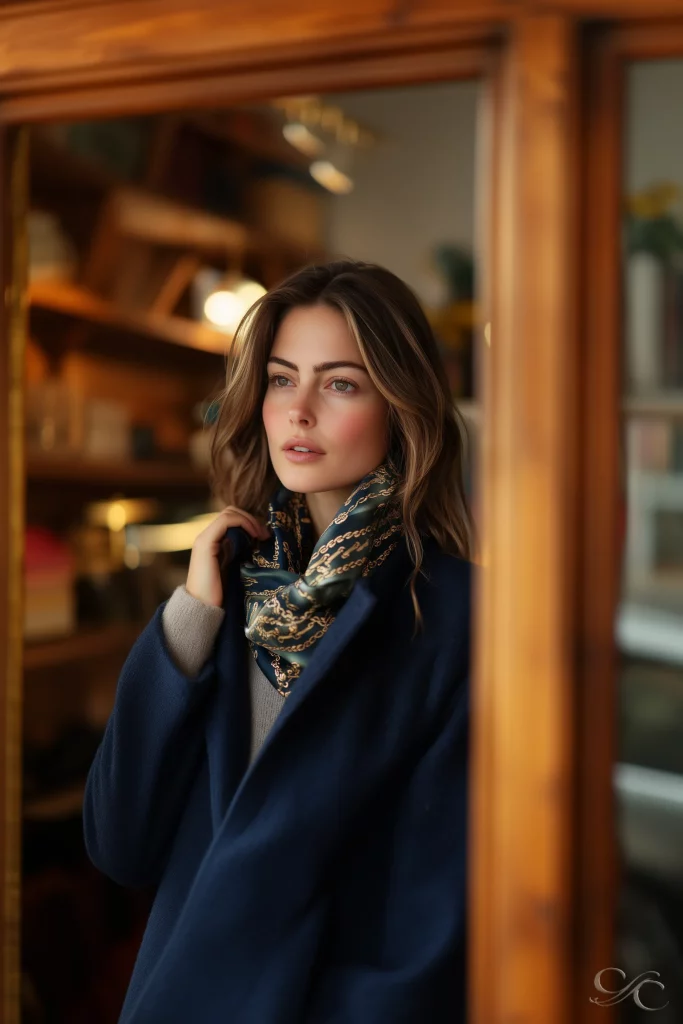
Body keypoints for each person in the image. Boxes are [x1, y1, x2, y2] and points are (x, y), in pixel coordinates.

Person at [83, 258, 475, 1023]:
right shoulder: (229, 592)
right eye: (279, 378)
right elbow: (119, 843)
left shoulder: (456, 616)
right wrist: (189, 620)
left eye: (339, 383)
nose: (297, 411)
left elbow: (432, 920)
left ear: (401, 405)